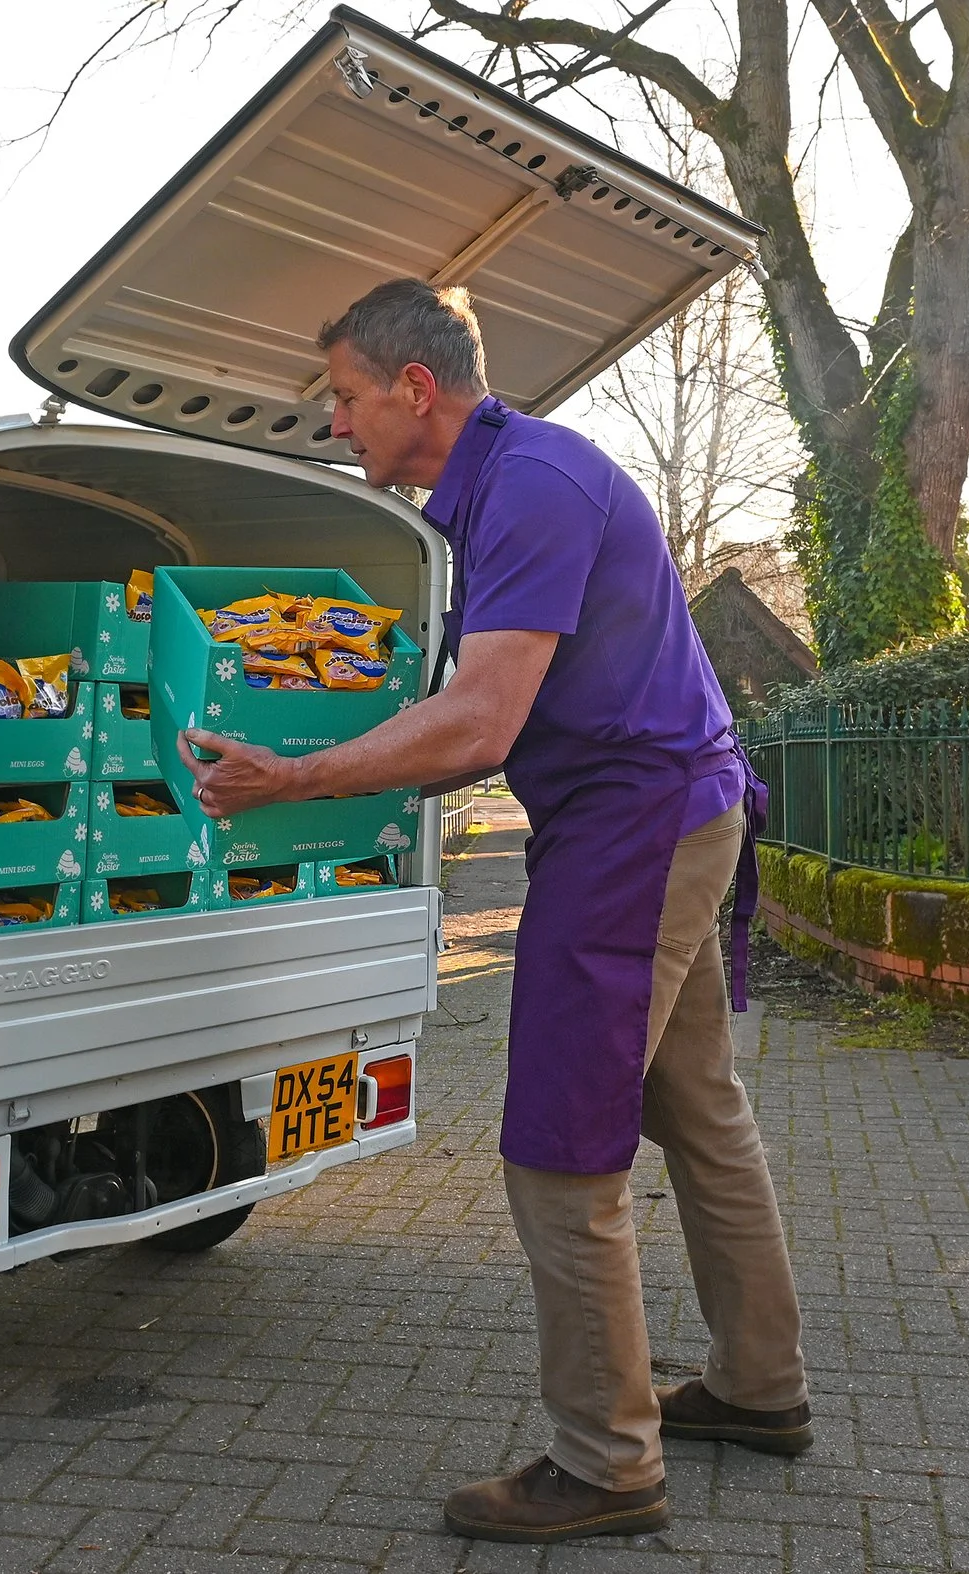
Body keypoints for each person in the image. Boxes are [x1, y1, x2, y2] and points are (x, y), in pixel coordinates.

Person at [179, 278, 809, 1544]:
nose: (338, 427)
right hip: (668, 805)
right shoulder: (508, 489)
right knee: (701, 1111)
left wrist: (294, 776)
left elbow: (477, 724)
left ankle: (606, 1460)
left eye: (348, 400)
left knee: (558, 1150)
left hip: (634, 826)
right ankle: (757, 1388)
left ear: (417, 388)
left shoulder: (528, 487)